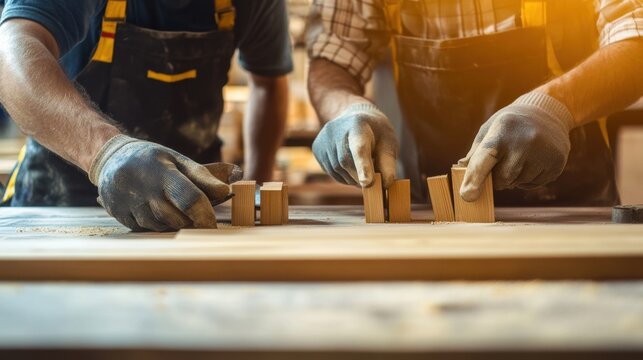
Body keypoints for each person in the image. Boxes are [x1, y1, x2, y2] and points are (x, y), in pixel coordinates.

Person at [307, 0, 643, 206]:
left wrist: (552, 107)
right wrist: (345, 109)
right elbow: (333, 59)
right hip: (432, 210)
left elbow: (635, 34)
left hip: (572, 205)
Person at [0, 0, 292, 231]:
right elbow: (10, 51)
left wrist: (255, 187)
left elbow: (267, 84)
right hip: (62, 205)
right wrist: (108, 154)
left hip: (191, 206)